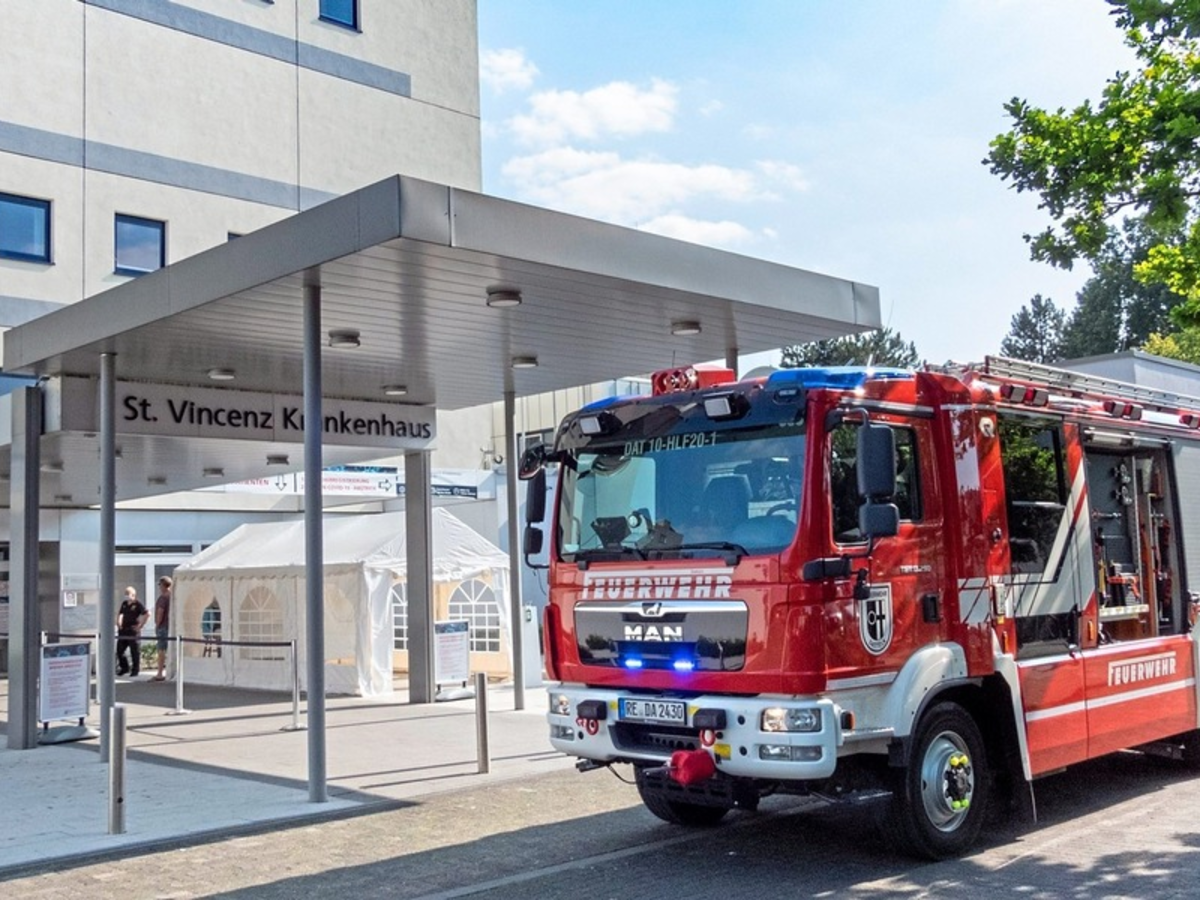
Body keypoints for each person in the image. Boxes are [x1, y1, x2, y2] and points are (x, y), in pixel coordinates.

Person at [116, 586, 148, 676]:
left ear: (133, 595)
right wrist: (118, 622)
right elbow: (120, 613)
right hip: (123, 630)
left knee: (134, 651)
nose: (126, 596)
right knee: (120, 650)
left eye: (128, 594)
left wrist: (141, 625)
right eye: (125, 594)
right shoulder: (124, 603)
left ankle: (135, 670)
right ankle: (124, 668)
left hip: (133, 630)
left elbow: (147, 613)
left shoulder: (137, 604)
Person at [153, 576, 172, 681]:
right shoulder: (172, 597)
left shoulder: (163, 598)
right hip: (170, 626)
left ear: (163, 585)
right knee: (170, 649)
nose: (159, 587)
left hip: (163, 627)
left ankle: (160, 672)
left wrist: (157, 624)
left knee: (161, 650)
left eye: (160, 585)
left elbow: (160, 612)